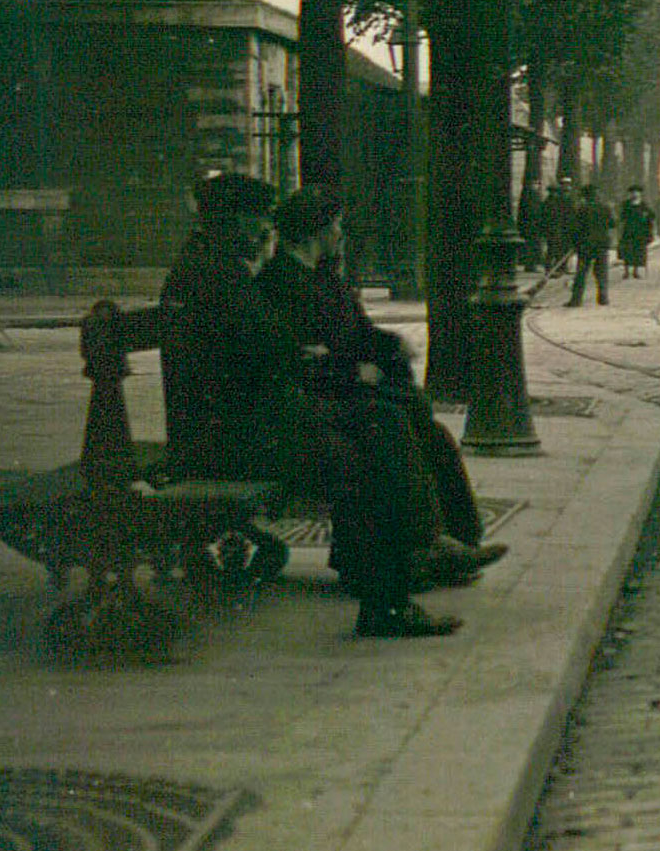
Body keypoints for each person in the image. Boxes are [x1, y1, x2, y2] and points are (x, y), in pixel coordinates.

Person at [159, 173, 461, 638]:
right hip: (238, 432)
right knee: (368, 444)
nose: (263, 231)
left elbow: (267, 343)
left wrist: (297, 351)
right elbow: (270, 344)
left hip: (244, 419)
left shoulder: (213, 266)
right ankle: (390, 593)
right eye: (254, 220)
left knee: (379, 422)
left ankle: (395, 576)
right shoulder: (216, 274)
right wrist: (297, 351)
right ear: (227, 220)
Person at [261, 188, 504, 587]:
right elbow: (298, 356)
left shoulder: (322, 276)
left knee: (434, 435)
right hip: (322, 399)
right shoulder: (281, 282)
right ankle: (423, 546)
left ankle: (458, 540)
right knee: (394, 430)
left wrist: (390, 345)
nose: (341, 232)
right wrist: (356, 370)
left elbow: (355, 334)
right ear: (314, 232)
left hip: (343, 389)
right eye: (335, 224)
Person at [565, 181, 613, 307]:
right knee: (601, 272)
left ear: (585, 196)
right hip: (601, 245)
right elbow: (612, 224)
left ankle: (576, 299)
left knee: (581, 273)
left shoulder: (581, 209)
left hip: (585, 245)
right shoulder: (605, 208)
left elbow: (575, 228)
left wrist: (574, 243)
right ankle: (603, 297)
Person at [617, 185, 655, 278]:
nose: (635, 194)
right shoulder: (626, 204)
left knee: (638, 251)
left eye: (637, 192)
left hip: (640, 231)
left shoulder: (643, 205)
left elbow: (651, 216)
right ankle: (626, 271)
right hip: (628, 231)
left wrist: (647, 219)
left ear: (640, 194)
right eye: (633, 192)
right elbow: (622, 217)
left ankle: (635, 271)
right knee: (627, 251)